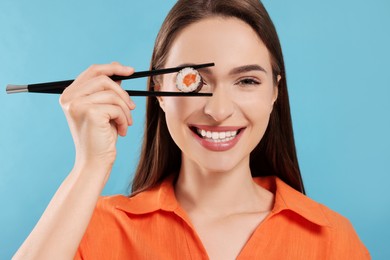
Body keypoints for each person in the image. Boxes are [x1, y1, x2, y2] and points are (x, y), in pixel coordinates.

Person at [14, 0, 370, 259]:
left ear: (275, 91)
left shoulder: (331, 239)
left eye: (246, 80)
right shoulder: (88, 229)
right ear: (159, 93)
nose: (218, 109)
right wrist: (90, 166)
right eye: (193, 81)